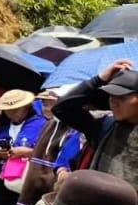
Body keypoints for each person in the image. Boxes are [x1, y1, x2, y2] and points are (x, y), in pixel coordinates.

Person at [55, 61, 138, 191]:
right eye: (111, 96)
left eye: (122, 98)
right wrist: (99, 79)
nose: (114, 102)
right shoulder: (105, 127)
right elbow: (62, 108)